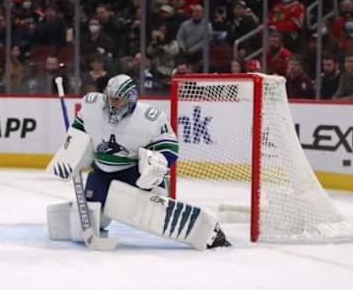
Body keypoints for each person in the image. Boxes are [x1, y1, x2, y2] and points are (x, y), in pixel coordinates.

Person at [49, 74, 231, 250]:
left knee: (150, 211)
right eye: (110, 98)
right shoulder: (92, 106)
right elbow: (79, 131)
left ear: (130, 98)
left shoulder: (149, 117)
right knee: (94, 218)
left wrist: (156, 167)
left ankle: (206, 231)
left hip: (133, 173)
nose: (112, 103)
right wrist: (71, 156)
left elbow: (170, 147)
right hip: (102, 171)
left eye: (118, 99)